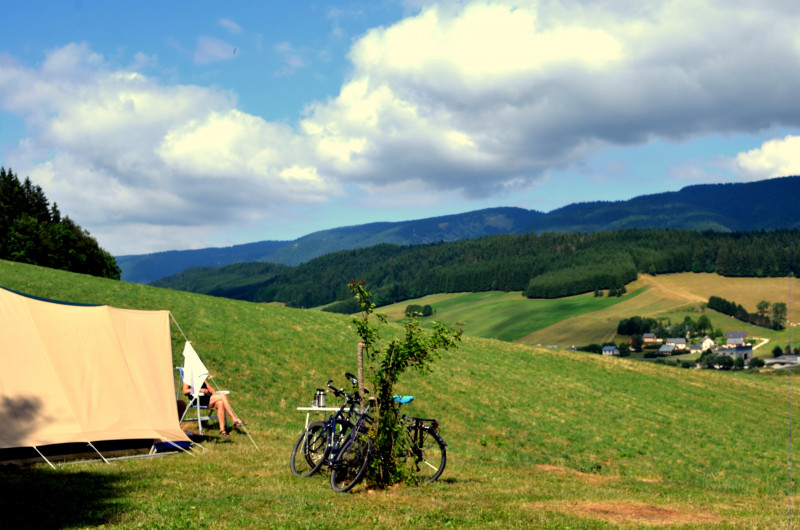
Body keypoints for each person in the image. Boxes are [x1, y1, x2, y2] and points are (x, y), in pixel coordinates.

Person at [182, 380, 247, 436]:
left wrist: (213, 391)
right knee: (223, 396)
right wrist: (200, 390)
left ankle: (222, 430)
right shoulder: (188, 378)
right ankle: (234, 419)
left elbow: (209, 387)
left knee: (220, 403)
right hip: (198, 399)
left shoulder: (201, 377)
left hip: (207, 398)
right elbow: (185, 391)